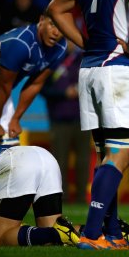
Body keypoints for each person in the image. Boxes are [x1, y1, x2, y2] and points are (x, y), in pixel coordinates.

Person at [47, 0, 129, 250]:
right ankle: (92, 234)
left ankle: (112, 234)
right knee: (121, 154)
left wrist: (84, 42)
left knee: (106, 154)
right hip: (117, 69)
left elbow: (55, 9)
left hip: (89, 70)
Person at [0, 13, 66, 146]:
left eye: (61, 28)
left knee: (12, 151)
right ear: (41, 20)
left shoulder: (60, 47)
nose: (56, 32)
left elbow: (35, 84)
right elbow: (3, 85)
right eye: (52, 25)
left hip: (0, 93)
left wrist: (16, 119)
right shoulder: (20, 43)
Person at [40, 44, 91, 204]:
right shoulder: (51, 59)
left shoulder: (84, 60)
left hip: (82, 119)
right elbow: (42, 89)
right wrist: (63, 93)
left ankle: (82, 197)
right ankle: (61, 197)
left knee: (83, 160)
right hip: (59, 119)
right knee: (59, 161)